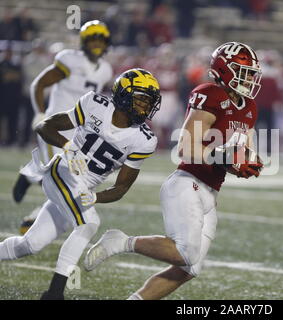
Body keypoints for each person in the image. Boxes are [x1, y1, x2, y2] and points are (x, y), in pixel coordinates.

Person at [84, 42, 264, 300]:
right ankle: (122, 241)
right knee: (186, 254)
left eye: (251, 73)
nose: (249, 79)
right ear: (224, 70)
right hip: (187, 182)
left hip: (210, 193)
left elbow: (244, 151)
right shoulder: (210, 94)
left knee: (190, 268)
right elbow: (186, 148)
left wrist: (248, 163)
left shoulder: (249, 107)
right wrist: (226, 158)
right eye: (243, 71)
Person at [0, 68, 162, 300]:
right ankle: (54, 293)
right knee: (89, 222)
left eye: (149, 102)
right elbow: (43, 126)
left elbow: (121, 188)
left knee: (30, 245)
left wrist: (97, 197)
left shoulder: (144, 140)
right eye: (141, 100)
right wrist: (68, 147)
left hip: (81, 189)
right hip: (61, 171)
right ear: (124, 95)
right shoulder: (95, 104)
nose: (145, 107)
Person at [12, 20, 113, 234]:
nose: (97, 44)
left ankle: (31, 177)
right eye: (92, 39)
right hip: (55, 127)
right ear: (84, 41)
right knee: (60, 177)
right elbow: (39, 84)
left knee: (75, 178)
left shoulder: (106, 69)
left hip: (80, 131)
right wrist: (39, 113)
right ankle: (34, 218)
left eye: (100, 39)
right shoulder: (70, 60)